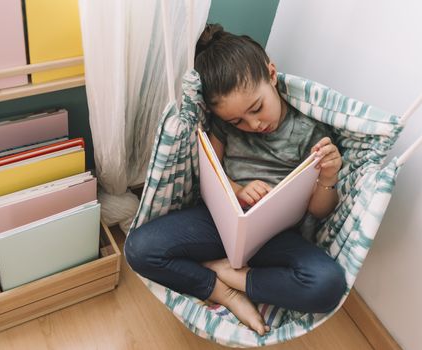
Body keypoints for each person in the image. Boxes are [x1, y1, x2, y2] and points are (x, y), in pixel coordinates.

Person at [125, 24, 346, 336]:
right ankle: (222, 291)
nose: (253, 123)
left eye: (257, 108)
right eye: (237, 120)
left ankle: (231, 274)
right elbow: (211, 174)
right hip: (219, 223)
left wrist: (328, 176)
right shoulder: (223, 126)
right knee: (139, 249)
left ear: (271, 74)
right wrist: (239, 190)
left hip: (275, 236)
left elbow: (320, 211)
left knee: (328, 285)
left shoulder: (308, 132)